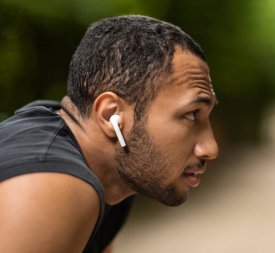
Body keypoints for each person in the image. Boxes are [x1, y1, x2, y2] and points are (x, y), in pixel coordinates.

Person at [0, 15, 218, 253]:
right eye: (191, 114)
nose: (210, 148)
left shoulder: (116, 176)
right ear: (110, 115)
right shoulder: (50, 183)